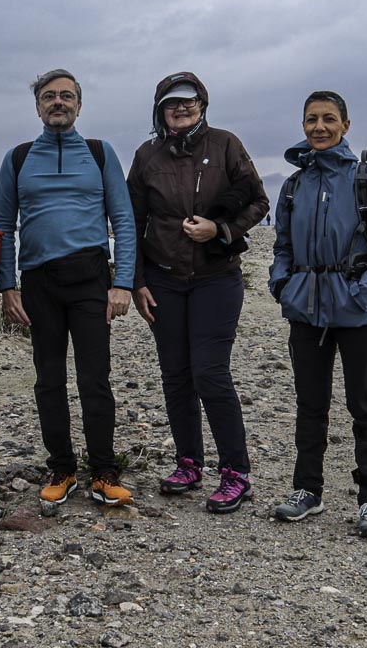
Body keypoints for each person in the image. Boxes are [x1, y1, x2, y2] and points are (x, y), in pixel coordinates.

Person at [0, 68, 137, 508]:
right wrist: (8, 285)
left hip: (90, 276)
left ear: (79, 104)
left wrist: (123, 282)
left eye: (67, 96)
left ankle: (105, 470)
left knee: (96, 377)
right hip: (39, 281)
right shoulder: (18, 157)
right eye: (49, 97)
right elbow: (3, 226)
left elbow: (124, 220)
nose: (58, 103)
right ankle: (62, 467)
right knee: (48, 379)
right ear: (38, 106)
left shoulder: (99, 153)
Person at [126, 72, 268, 514]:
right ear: (159, 110)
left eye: (189, 102)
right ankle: (188, 463)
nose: (181, 109)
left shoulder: (226, 144)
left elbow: (259, 200)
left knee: (210, 372)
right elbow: (131, 220)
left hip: (217, 277)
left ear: (202, 105)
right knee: (176, 375)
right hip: (163, 281)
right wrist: (135, 281)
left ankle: (236, 473)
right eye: (172, 104)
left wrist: (220, 229)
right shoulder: (147, 154)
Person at [267, 90, 367, 538]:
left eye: (329, 119)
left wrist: (363, 294)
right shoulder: (294, 184)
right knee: (310, 405)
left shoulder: (366, 179)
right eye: (311, 119)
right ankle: (307, 490)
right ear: (303, 124)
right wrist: (282, 285)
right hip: (305, 310)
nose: (319, 127)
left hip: (360, 315)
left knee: (364, 406)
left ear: (345, 125)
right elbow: (283, 247)